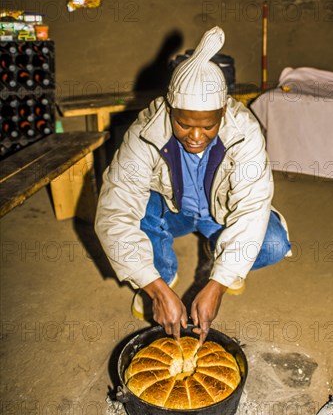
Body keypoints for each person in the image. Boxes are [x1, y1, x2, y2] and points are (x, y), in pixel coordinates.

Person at [95, 26, 291, 344]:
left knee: (272, 244)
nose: (195, 137)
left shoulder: (245, 131)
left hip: (221, 213)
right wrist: (155, 288)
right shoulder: (145, 131)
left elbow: (253, 207)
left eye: (208, 125)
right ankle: (161, 270)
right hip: (174, 210)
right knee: (138, 210)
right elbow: (114, 211)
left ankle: (216, 249)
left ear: (223, 113)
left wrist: (219, 283)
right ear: (170, 110)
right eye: (183, 123)